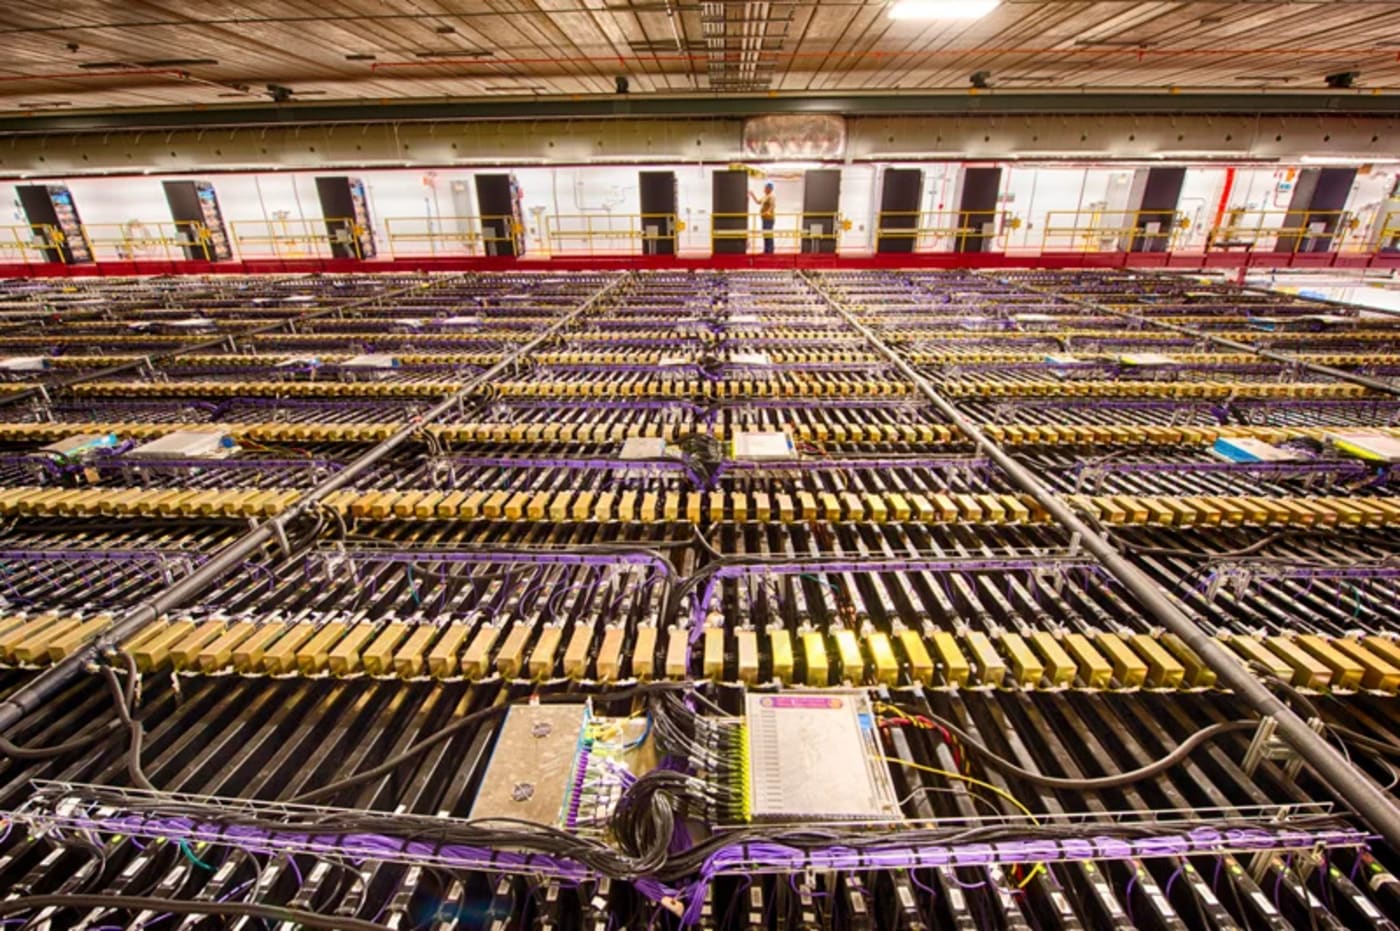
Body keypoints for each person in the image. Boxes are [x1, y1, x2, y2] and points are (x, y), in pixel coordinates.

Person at [749, 182, 776, 254]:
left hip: (769, 218)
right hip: (764, 218)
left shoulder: (771, 196)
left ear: (769, 189)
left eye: (766, 187)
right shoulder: (765, 196)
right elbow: (758, 202)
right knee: (765, 234)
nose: (764, 189)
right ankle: (766, 250)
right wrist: (752, 195)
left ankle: (770, 250)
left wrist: (769, 211)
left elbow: (772, 205)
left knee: (768, 234)